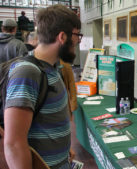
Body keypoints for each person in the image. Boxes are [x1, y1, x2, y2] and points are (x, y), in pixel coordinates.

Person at [4, 4, 81, 169]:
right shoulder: (27, 72)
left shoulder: (52, 68)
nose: (78, 40)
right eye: (76, 34)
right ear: (62, 37)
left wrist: (65, 149)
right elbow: (14, 144)